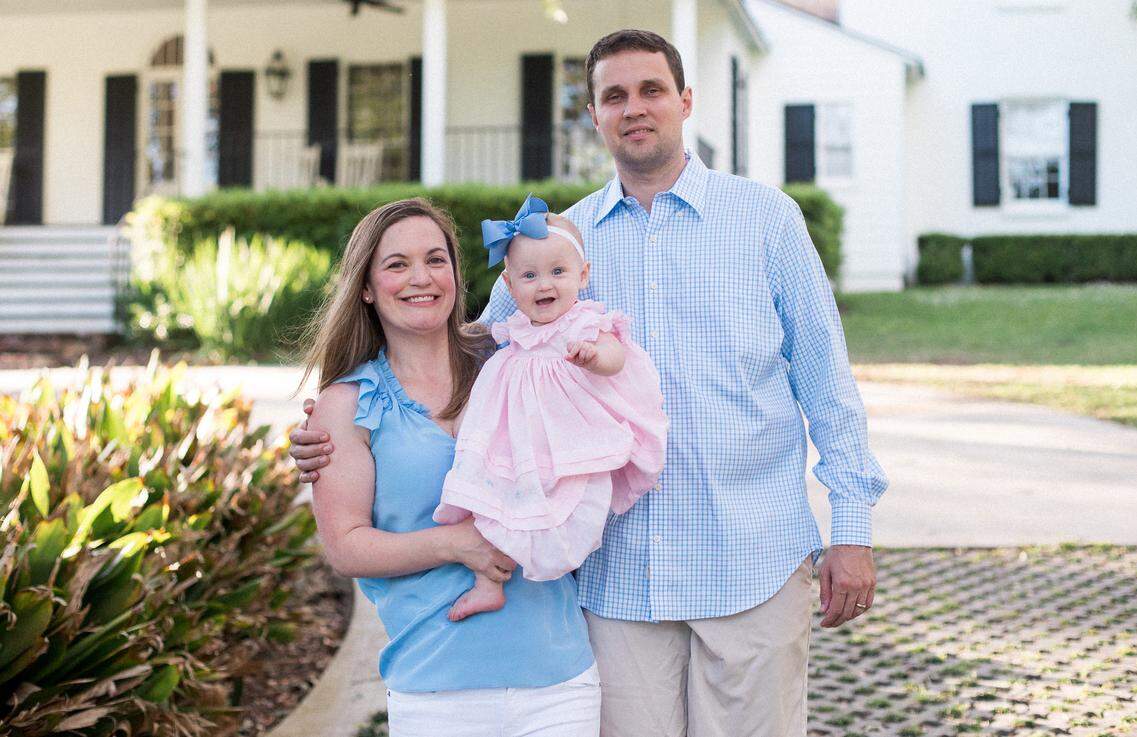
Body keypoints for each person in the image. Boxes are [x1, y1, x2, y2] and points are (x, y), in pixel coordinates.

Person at [293, 29, 888, 737]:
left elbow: (829, 385)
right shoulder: (555, 242)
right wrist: (335, 423)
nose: (633, 108)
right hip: (616, 579)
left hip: (750, 562)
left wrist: (851, 530)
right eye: (614, 96)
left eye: (650, 90)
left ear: (685, 101)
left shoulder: (765, 220)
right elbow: (475, 354)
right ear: (596, 115)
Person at [301, 198, 599, 736]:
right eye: (397, 264)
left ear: (458, 276)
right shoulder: (347, 405)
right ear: (366, 286)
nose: (422, 278)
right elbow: (345, 545)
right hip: (436, 688)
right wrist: (454, 544)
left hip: (560, 679)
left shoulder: (513, 359)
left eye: (437, 260)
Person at [434, 194, 667, 622]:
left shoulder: (585, 322)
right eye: (529, 275)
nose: (544, 285)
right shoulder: (513, 332)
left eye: (558, 272)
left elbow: (616, 355)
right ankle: (489, 583)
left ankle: (567, 562)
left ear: (583, 276)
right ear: (509, 286)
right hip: (521, 442)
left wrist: (594, 356)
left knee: (576, 502)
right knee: (496, 502)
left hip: (570, 439)